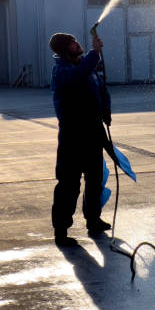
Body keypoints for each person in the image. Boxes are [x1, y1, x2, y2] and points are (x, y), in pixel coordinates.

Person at [49, 32, 112, 246]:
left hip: (93, 133)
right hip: (72, 136)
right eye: (73, 43)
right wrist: (95, 53)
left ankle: (93, 221)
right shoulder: (62, 71)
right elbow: (78, 79)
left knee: (94, 180)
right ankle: (61, 230)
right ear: (65, 49)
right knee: (69, 184)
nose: (78, 44)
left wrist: (106, 110)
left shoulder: (87, 66)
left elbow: (101, 89)